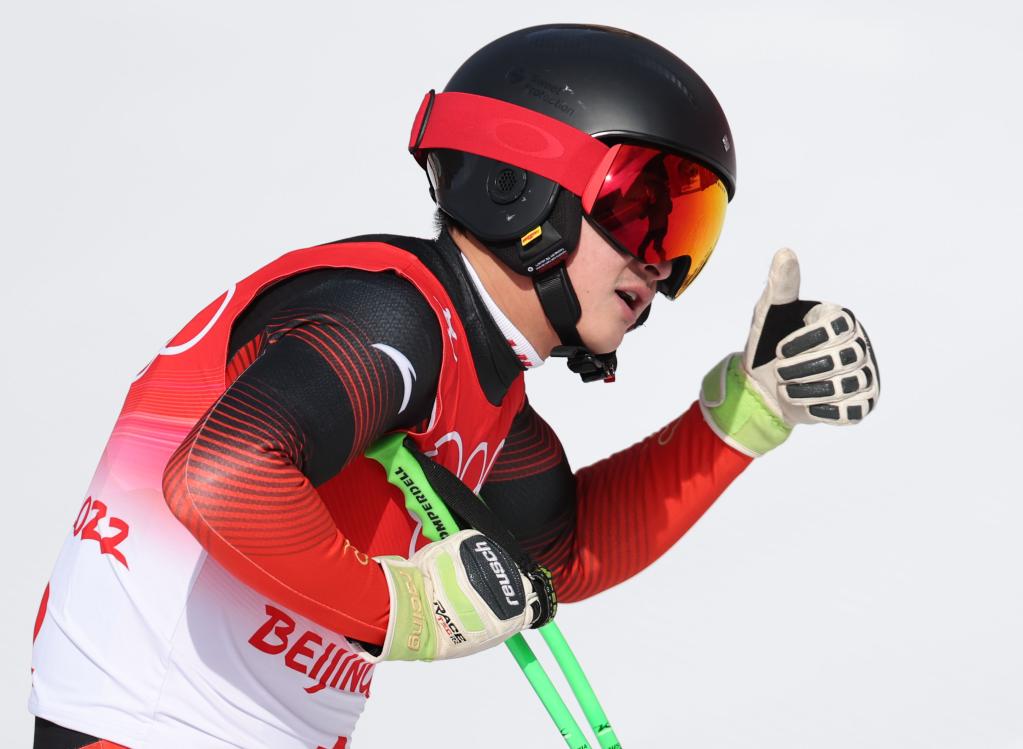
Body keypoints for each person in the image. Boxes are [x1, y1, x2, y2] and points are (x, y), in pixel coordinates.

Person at [28, 23, 880, 749]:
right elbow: (221, 477)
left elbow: (560, 554)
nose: (660, 263)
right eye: (638, 210)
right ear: (519, 186)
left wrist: (743, 415)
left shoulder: (477, 381)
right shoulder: (389, 317)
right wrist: (410, 608)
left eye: (687, 229)